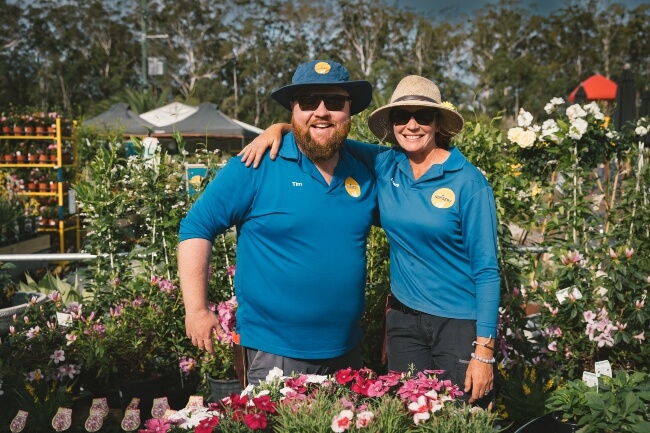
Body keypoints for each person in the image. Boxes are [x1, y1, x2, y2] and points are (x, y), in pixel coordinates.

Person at [240, 75, 501, 405]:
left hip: (458, 323)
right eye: (401, 116)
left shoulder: (468, 181)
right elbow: (325, 133)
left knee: (463, 416)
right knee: (411, 415)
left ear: (438, 123)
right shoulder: (386, 164)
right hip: (404, 322)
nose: (412, 125)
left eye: (423, 116)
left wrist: (485, 352)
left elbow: (487, 271)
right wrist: (278, 128)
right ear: (391, 124)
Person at [178, 60, 378, 385]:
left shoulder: (366, 167)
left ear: (350, 111)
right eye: (309, 102)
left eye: (335, 103)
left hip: (348, 351)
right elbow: (196, 228)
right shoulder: (256, 163)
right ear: (293, 110)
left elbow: (416, 155)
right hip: (276, 355)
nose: (322, 111)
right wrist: (197, 310)